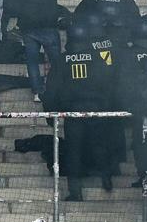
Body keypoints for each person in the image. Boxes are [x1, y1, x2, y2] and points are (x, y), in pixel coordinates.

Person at [42, 22, 116, 199]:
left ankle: (76, 192)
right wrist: (106, 107)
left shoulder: (61, 60)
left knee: (73, 152)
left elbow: (51, 89)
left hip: (73, 112)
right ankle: (106, 179)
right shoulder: (98, 58)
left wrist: (50, 113)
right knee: (100, 145)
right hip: (96, 109)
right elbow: (108, 84)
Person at [0, 0, 82, 100]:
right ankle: (57, 87)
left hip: (28, 26)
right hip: (48, 24)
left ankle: (37, 91)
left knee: (32, 60)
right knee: (56, 60)